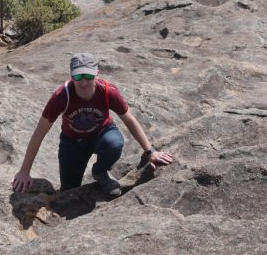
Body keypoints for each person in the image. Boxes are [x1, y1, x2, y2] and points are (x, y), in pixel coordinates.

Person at [11, 52, 173, 198]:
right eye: (78, 77)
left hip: (101, 134)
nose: (83, 82)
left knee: (114, 143)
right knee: (69, 190)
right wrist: (24, 171)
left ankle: (101, 172)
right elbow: (39, 133)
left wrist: (150, 151)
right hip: (72, 143)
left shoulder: (108, 91)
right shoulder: (62, 96)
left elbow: (129, 120)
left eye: (88, 76)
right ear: (71, 76)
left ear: (97, 74)